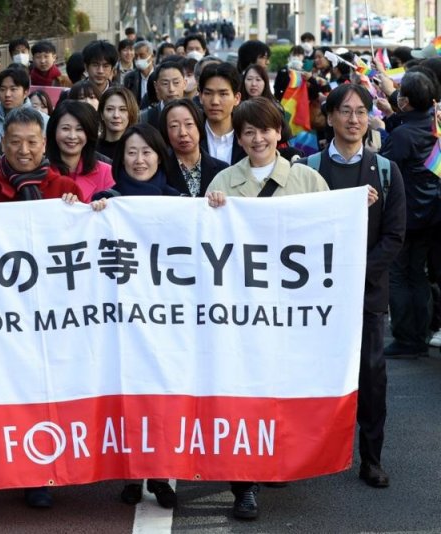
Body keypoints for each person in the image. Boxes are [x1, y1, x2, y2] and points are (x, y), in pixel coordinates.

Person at [205, 97, 329, 520]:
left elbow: (329, 233)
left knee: (282, 391)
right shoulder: (222, 181)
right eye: (249, 132)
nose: (258, 138)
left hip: (290, 311)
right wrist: (212, 211)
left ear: (280, 132)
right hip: (239, 313)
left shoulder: (308, 180)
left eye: (266, 129)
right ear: (238, 139)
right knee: (242, 394)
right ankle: (243, 484)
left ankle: (277, 460)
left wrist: (356, 206)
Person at [294, 84, 406, 489]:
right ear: (330, 116)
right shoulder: (306, 170)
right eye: (346, 111)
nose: (354, 119)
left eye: (362, 111)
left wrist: (356, 274)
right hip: (311, 297)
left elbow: (394, 237)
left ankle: (371, 458)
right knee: (304, 376)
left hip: (365, 297)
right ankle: (297, 457)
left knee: (372, 379)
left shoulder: (387, 171)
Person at [381, 71, 441, 358]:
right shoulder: (435, 125)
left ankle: (408, 338)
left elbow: (385, 172)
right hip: (432, 213)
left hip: (407, 214)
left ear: (405, 101)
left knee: (399, 275)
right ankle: (422, 333)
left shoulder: (403, 135)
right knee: (418, 274)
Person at [46, 100, 113, 200]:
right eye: (65, 128)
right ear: (53, 131)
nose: (72, 136)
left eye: (79, 129)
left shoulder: (106, 172)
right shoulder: (41, 172)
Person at [160, 98, 228, 196]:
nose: (183, 133)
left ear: (199, 126)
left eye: (189, 124)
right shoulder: (160, 171)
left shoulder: (222, 170)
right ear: (165, 131)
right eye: (174, 126)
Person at [199, 62, 245, 165]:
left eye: (223, 94)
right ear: (200, 97)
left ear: (236, 98)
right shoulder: (192, 135)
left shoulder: (247, 135)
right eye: (208, 93)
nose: (215, 101)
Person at [0, 67, 44, 144]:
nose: (7, 94)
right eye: (2, 89)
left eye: (13, 89)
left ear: (26, 92)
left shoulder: (43, 120)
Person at [139, 60, 186, 129]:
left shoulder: (196, 114)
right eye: (165, 83)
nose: (171, 89)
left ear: (185, 84)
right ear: (156, 86)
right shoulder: (145, 118)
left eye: (176, 82)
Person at [97, 86, 139, 160]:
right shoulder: (92, 149)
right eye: (110, 109)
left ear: (131, 113)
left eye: (123, 109)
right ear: (101, 114)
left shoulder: (138, 147)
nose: (116, 115)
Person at [122, 40, 155, 108]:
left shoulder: (160, 75)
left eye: (142, 55)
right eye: (136, 56)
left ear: (151, 57)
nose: (138, 59)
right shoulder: (129, 78)